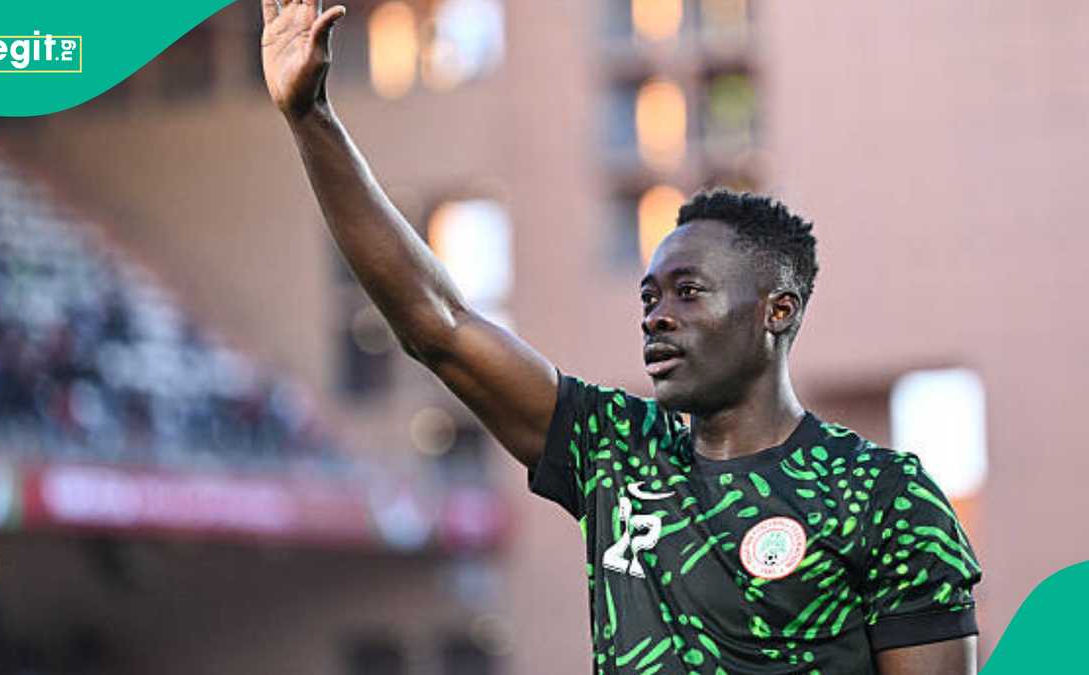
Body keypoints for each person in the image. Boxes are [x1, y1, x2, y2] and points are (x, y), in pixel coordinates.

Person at [258, 2, 983, 672]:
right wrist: (311, 116)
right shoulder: (614, 450)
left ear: (777, 311)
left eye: (688, 292)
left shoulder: (882, 496)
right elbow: (439, 326)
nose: (657, 315)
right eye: (649, 296)